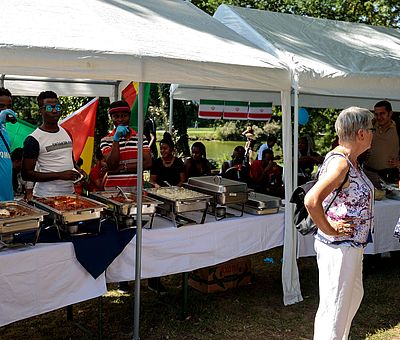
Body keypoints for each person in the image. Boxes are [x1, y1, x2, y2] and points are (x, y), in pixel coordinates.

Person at [304, 107, 375, 340]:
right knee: (334, 311)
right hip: (339, 248)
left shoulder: (349, 161)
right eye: (372, 129)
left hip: (350, 247)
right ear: (361, 133)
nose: (374, 133)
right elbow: (311, 200)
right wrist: (330, 229)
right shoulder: (341, 164)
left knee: (350, 300)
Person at [21, 91, 81, 197]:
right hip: (45, 196)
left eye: (57, 107)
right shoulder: (34, 139)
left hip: (70, 194)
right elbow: (26, 174)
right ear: (40, 111)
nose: (54, 111)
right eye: (49, 108)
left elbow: (71, 161)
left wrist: (79, 171)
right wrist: (60, 175)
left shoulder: (66, 132)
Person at [100, 100, 152, 190]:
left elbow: (148, 163)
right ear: (111, 118)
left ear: (129, 116)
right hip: (113, 191)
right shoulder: (105, 140)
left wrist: (122, 167)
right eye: (116, 116)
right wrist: (116, 139)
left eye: (124, 116)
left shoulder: (140, 138)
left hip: (136, 191)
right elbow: (112, 164)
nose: (120, 120)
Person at [364, 100, 399, 183]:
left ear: (390, 113)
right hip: (368, 173)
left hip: (389, 175)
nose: (379, 117)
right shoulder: (369, 126)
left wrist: (399, 163)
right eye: (376, 114)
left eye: (382, 113)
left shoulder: (398, 128)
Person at [0, 87, 17, 201]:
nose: (6, 110)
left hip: (6, 194)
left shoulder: (4, 130)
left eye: (8, 107)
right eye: (1, 106)